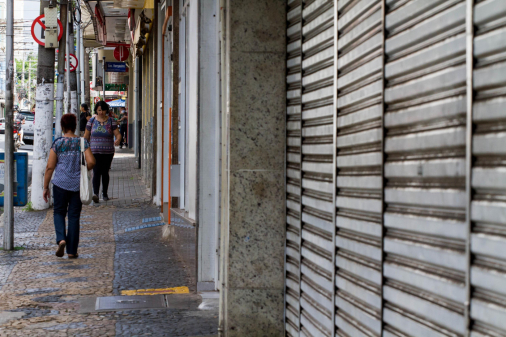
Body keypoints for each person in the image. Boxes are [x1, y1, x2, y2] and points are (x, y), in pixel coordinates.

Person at [42, 114, 96, 258]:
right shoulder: (82, 142)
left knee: (59, 212)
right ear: (75, 126)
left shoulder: (58, 143)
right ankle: (72, 251)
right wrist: (83, 170)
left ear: (62, 126)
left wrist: (45, 187)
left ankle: (61, 239)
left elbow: (49, 167)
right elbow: (92, 162)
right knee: (74, 217)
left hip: (60, 184)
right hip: (77, 185)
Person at [84, 101, 121, 203]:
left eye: (103, 110)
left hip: (108, 152)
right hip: (94, 151)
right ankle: (96, 194)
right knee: (96, 171)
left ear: (106, 110)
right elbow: (86, 137)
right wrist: (83, 148)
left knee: (105, 172)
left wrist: (118, 139)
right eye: (99, 110)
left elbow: (117, 134)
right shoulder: (91, 121)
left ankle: (105, 194)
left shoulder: (111, 121)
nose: (101, 112)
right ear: (96, 110)